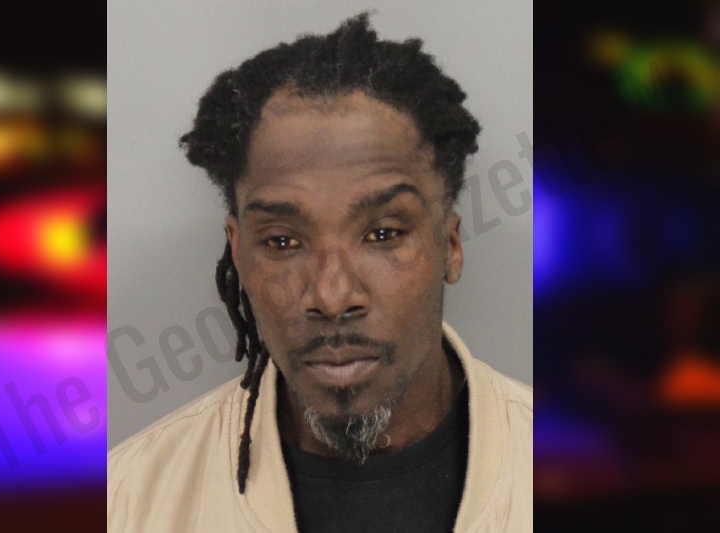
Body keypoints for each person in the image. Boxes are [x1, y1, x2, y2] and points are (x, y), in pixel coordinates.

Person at [108, 13, 531, 533]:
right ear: (238, 254)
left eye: (383, 233)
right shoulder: (127, 502)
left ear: (450, 245)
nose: (332, 297)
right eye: (282, 242)